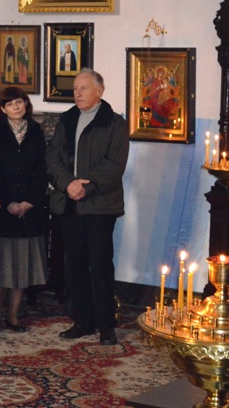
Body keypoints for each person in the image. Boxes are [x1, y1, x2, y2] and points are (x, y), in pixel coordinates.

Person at [45, 68, 129, 346]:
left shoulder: (114, 123)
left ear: (99, 91)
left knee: (100, 265)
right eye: (75, 89)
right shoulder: (66, 120)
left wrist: (87, 186)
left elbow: (114, 164)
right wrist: (68, 184)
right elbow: (52, 158)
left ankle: (106, 326)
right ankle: (82, 321)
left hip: (100, 206)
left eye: (83, 88)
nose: (77, 93)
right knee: (75, 265)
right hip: (69, 204)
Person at [0, 87, 48, 334]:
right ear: (2, 109)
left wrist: (30, 201)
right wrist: (6, 201)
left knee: (21, 268)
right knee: (0, 269)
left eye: (19, 102)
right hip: (2, 211)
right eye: (10, 104)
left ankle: (13, 316)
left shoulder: (36, 131)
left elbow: (42, 169)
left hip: (29, 210)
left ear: (26, 104)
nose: (16, 107)